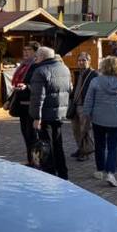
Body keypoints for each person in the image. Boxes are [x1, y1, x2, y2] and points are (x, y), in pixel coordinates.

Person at [84, 56, 117, 187]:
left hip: (98, 117)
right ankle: (110, 172)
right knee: (114, 146)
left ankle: (100, 170)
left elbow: (89, 99)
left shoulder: (95, 81)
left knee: (99, 144)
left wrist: (87, 114)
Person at [29, 47, 72, 180]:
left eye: (37, 56)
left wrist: (37, 117)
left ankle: (50, 174)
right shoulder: (64, 68)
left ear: (42, 56)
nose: (35, 58)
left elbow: (38, 97)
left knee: (46, 145)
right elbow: (68, 89)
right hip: (59, 112)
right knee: (58, 143)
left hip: (46, 114)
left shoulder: (40, 71)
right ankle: (63, 173)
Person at [13, 42, 40, 163]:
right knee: (25, 134)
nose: (25, 52)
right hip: (21, 104)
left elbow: (37, 85)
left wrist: (27, 86)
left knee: (32, 136)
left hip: (31, 104)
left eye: (28, 50)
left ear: (35, 52)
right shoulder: (23, 65)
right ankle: (30, 160)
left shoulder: (36, 66)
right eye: (24, 49)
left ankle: (36, 161)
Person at [69, 52, 98, 161]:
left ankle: (86, 152)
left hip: (85, 106)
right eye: (80, 60)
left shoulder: (94, 74)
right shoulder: (78, 73)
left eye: (84, 60)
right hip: (76, 105)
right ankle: (81, 148)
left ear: (89, 61)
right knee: (76, 129)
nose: (81, 62)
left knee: (84, 130)